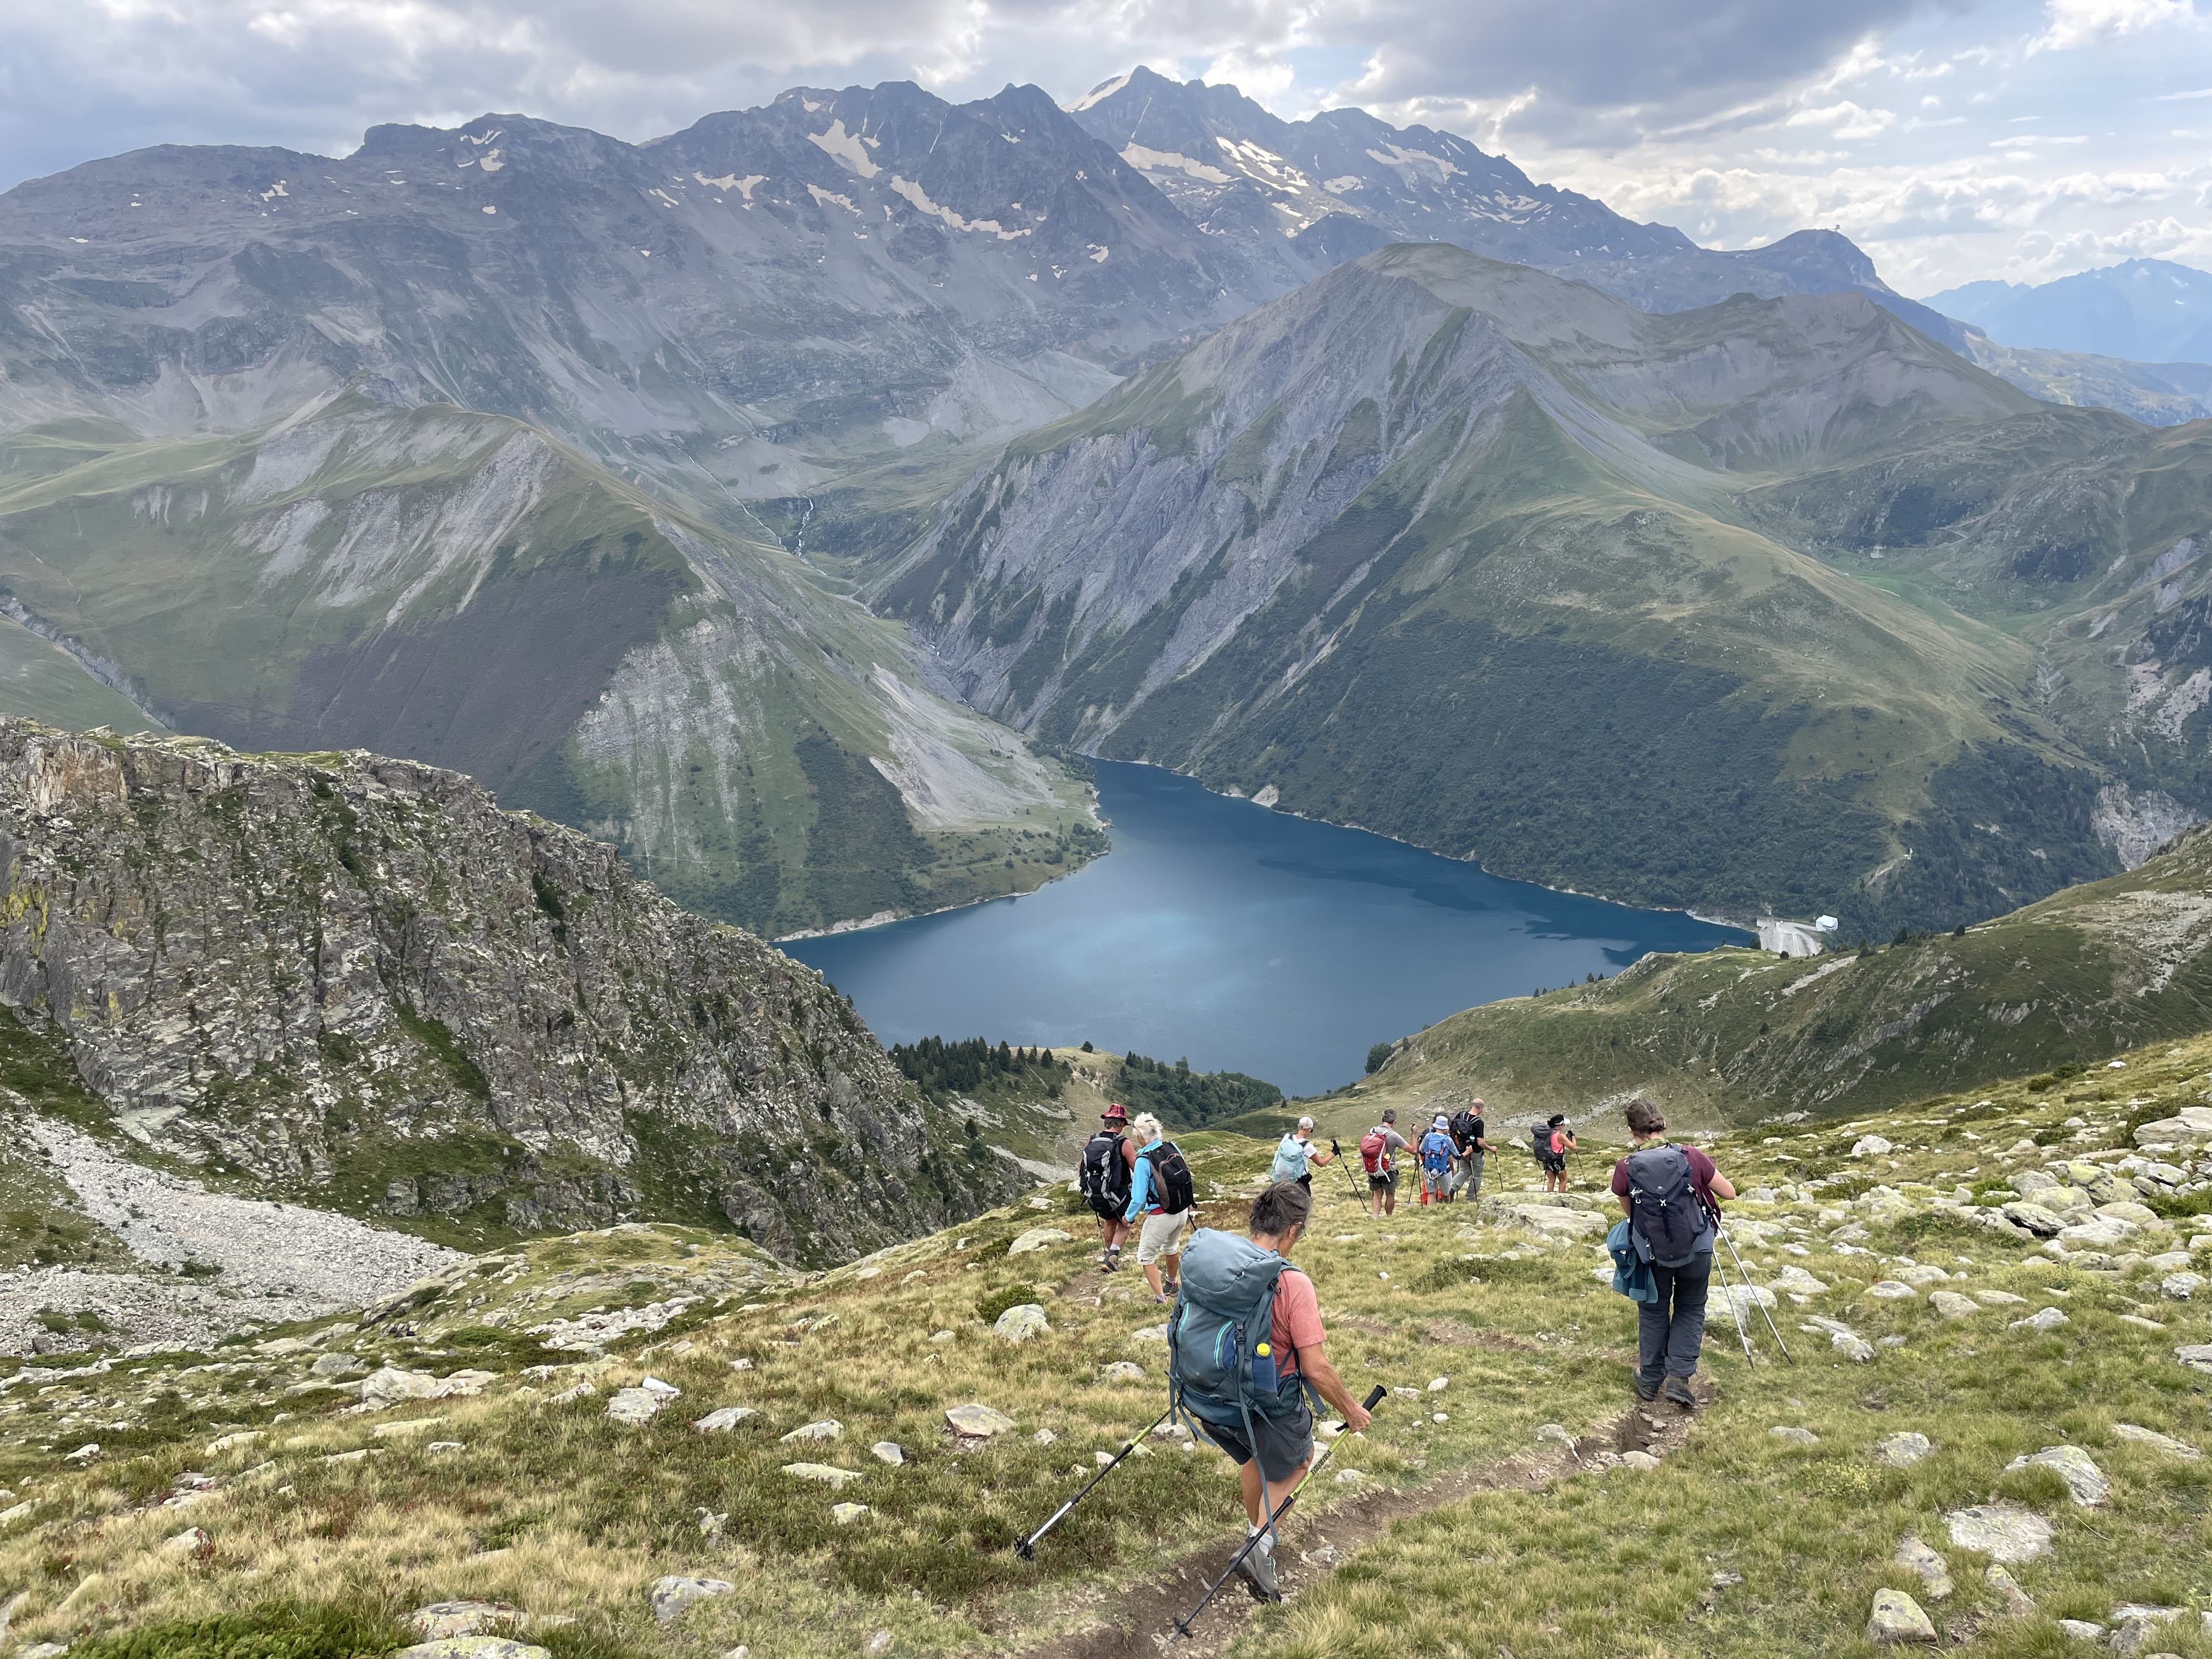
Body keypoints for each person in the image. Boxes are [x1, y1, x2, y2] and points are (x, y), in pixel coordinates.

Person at [1179, 1181, 1372, 1601]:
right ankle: (1258, 1546)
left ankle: (1255, 1534)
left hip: (1206, 1397)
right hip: (1261, 1406)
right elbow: (1316, 1369)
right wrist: (1351, 1410)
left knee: (1256, 1457)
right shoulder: (1291, 1283)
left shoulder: (1221, 1264)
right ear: (1294, 1229)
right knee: (1299, 1459)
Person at [1612, 1099, 1735, 1408]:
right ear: (1663, 1126)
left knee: (1653, 1311)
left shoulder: (1626, 1167)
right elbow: (1730, 1193)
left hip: (1653, 1253)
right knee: (1690, 1308)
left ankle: (1650, 1380)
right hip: (1696, 1249)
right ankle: (1679, 1380)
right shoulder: (1692, 1155)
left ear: (1631, 1131)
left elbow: (1631, 1214)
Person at [1125, 1112, 1195, 1302]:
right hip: (1181, 1211)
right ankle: (1172, 1283)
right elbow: (1184, 1176)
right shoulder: (1172, 1147)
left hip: (1160, 1215)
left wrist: (1129, 1217)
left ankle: (1160, 1298)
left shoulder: (1143, 1160)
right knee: (1171, 1247)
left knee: (1146, 1257)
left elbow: (1138, 1198)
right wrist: (1189, 1202)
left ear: (1140, 1135)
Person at [1079, 1103, 1137, 1271]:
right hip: (1119, 1194)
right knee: (1125, 1224)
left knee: (1109, 1223)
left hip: (1097, 1194)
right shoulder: (1123, 1142)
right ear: (1121, 1124)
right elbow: (1136, 1168)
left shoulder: (1092, 1140)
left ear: (1107, 1121)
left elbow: (1081, 1167)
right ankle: (1113, 1256)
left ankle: (1108, 1255)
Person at [1357, 1108, 1408, 1217]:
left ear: (1382, 1119)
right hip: (1387, 1170)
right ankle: (1389, 1216)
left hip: (1373, 1168)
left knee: (1377, 1194)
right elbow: (1413, 1150)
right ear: (1394, 1122)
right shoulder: (1393, 1136)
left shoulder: (1373, 1131)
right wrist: (1413, 1134)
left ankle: (1375, 1217)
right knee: (1390, 1194)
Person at [1269, 1115, 1339, 1189]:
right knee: (1306, 1197)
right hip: (1300, 1181)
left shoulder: (1287, 1137)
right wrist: (1334, 1153)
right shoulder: (1307, 1146)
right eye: (1311, 1131)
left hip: (1282, 1179)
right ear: (1309, 1129)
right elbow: (1321, 1163)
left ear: (1299, 1127)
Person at [1449, 1099, 1489, 1201]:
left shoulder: (1461, 1115)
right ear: (1481, 1108)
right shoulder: (1478, 1122)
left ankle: (1451, 1188)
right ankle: (1471, 1197)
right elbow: (1480, 1142)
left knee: (1465, 1170)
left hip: (1462, 1150)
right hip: (1475, 1152)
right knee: (1477, 1174)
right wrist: (1491, 1148)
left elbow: (1451, 1130)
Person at [1534, 1114, 1577, 1193]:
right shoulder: (1560, 1136)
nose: (1564, 1126)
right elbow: (1573, 1147)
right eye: (1563, 1124)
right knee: (1563, 1180)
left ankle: (1549, 1196)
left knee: (1551, 1180)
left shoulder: (1547, 1134)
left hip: (1547, 1161)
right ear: (1560, 1125)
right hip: (1557, 1161)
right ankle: (1561, 1197)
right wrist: (1573, 1137)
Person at [1417, 1116, 1455, 1205]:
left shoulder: (1427, 1135)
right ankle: (1447, 1208)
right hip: (1444, 1169)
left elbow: (1421, 1151)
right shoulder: (1448, 1139)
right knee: (1446, 1193)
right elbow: (1454, 1155)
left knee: (1432, 1193)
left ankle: (1430, 1210)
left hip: (1430, 1168)